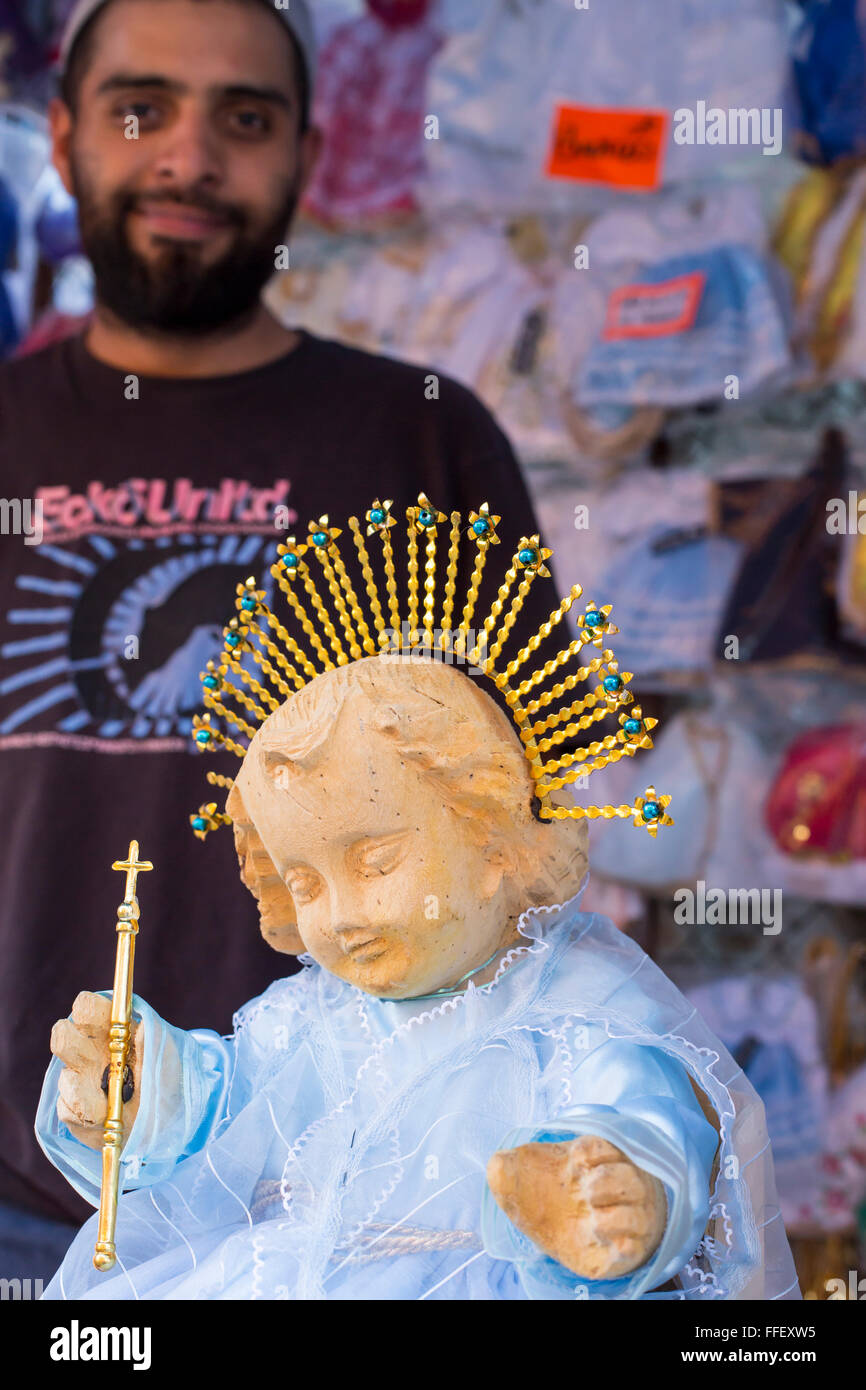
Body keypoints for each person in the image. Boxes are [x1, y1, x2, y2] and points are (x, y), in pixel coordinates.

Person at [0, 0, 554, 1278]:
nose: (189, 156)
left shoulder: (420, 438)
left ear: (306, 151)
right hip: (14, 1195)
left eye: (243, 119)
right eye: (142, 108)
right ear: (67, 136)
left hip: (342, 1209)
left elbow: (523, 841)